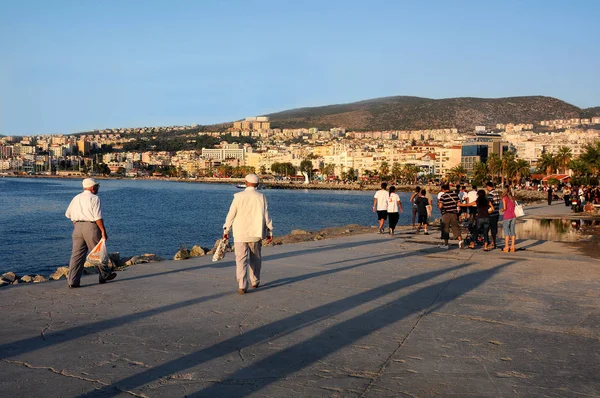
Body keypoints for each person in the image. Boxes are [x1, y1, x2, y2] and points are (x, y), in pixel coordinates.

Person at [223, 174, 273, 294]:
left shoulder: (238, 196)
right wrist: (270, 231)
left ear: (245, 183)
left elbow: (231, 214)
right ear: (258, 184)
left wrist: (226, 230)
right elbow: (266, 216)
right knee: (255, 258)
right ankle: (255, 281)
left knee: (240, 260)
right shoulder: (261, 197)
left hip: (240, 233)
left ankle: (242, 285)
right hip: (255, 233)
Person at [65, 178, 116, 288]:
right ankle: (104, 274)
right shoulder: (95, 198)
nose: (98, 188)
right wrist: (103, 231)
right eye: (97, 186)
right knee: (98, 251)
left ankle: (72, 281)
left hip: (77, 228)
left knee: (76, 256)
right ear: (93, 188)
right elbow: (98, 217)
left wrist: (77, 223)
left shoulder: (76, 198)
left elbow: (68, 214)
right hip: (91, 227)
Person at [438, 184, 464, 249]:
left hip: (446, 214)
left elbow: (440, 206)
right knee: (455, 227)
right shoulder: (455, 195)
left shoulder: (443, 196)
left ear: (443, 189)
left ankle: (446, 244)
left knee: (445, 229)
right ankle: (460, 241)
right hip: (454, 214)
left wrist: (440, 206)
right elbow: (458, 204)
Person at [501, 188, 517, 253]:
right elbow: (514, 206)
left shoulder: (504, 198)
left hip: (507, 216)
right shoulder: (513, 198)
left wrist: (502, 210)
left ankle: (506, 247)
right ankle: (512, 246)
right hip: (514, 216)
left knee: (506, 231)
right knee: (512, 230)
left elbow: (505, 208)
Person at [486, 182, 501, 250]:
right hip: (496, 213)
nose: (486, 188)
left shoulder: (490, 194)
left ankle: (492, 243)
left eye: (487, 187)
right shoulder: (497, 193)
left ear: (489, 186)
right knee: (494, 228)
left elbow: (488, 203)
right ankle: (493, 242)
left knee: (489, 228)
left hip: (491, 214)